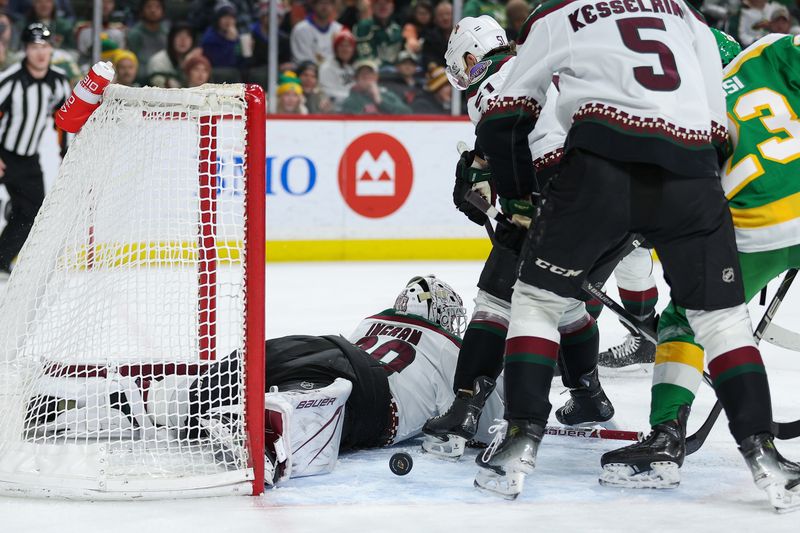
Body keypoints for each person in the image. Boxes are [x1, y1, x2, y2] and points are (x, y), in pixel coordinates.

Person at [470, 0, 793, 509]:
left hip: (601, 166)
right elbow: (716, 117)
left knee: (536, 300)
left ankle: (518, 443)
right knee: (723, 320)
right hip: (689, 170)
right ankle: (765, 456)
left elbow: (506, 114)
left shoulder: (556, 12)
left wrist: (515, 199)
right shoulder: (684, 13)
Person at [22, 276, 504, 485]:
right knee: (321, 405)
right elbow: (485, 424)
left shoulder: (372, 321)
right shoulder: (459, 350)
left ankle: (90, 404)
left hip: (318, 343)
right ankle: (272, 428)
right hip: (370, 393)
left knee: (203, 391)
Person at [600, 31, 800, 512]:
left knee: (685, 320)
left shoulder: (677, 104)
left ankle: (666, 435)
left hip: (760, 227)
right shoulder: (770, 50)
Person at [422, 15, 623, 460]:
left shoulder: (489, 86)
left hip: (552, 189)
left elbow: (507, 146)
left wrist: (483, 183)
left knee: (496, 298)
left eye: (460, 63)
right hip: (607, 191)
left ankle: (465, 408)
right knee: (567, 299)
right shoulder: (537, 63)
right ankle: (588, 395)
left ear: (472, 58)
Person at [0, 23, 69, 278]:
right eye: (34, 47)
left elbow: (64, 120)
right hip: (3, 154)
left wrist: (66, 156)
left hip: (28, 159)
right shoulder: (10, 81)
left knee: (31, 214)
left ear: (52, 49)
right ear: (25, 51)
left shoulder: (58, 81)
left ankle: (1, 260)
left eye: (45, 47)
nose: (40, 53)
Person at [340, 59, 411, 114]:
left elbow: (406, 112)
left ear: (376, 77)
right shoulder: (351, 99)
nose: (366, 76)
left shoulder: (388, 95)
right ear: (356, 78)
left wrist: (380, 101)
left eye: (370, 73)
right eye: (362, 74)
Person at [126, 0, 168, 81]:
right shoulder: (135, 34)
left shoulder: (166, 33)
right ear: (142, 11)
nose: (153, 10)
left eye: (157, 7)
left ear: (163, 11)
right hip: (140, 80)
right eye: (149, 7)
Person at [353, 0, 404, 68]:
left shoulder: (397, 29)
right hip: (369, 70)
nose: (383, 5)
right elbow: (364, 56)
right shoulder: (363, 27)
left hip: (394, 73)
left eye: (387, 2)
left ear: (392, 6)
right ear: (372, 7)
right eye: (378, 3)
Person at [290, 0, 342, 64]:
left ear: (333, 6)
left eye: (328, 3)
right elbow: (303, 61)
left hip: (333, 72)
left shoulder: (339, 29)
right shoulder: (301, 29)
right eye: (321, 2)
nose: (324, 6)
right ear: (313, 5)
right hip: (309, 72)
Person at [147, 22, 196, 88]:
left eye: (188, 36)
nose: (183, 40)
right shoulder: (158, 60)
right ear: (171, 39)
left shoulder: (196, 59)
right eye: (179, 35)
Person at [318, 28, 356, 110]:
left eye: (349, 46)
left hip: (349, 110)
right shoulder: (326, 67)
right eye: (342, 45)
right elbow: (328, 93)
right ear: (335, 49)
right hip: (331, 112)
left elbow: (348, 87)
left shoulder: (349, 68)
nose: (345, 49)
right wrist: (353, 95)